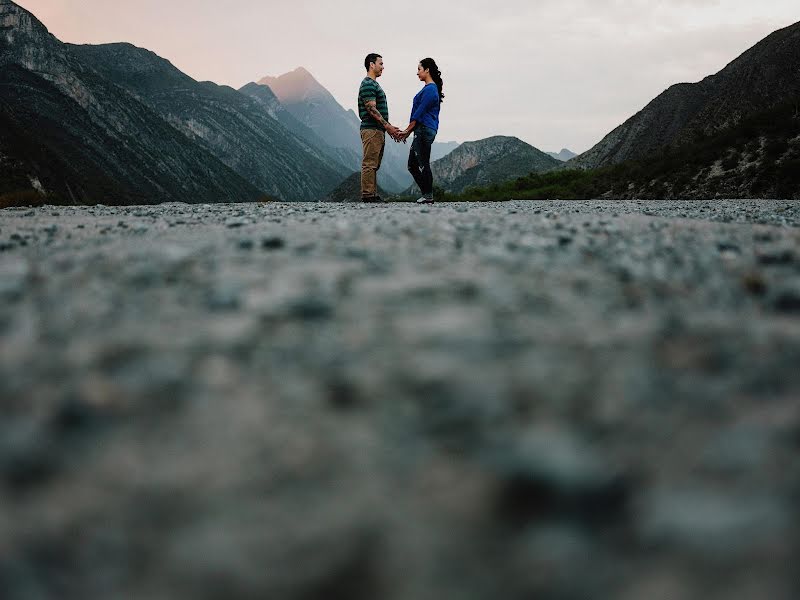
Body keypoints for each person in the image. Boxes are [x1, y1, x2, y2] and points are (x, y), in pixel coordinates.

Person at [399, 58, 444, 204]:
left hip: (424, 129)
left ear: (427, 70)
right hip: (422, 129)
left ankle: (428, 195)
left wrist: (406, 131)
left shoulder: (431, 89)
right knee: (412, 165)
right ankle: (427, 194)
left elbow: (419, 113)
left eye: (419, 69)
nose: (417, 72)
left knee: (423, 163)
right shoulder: (429, 88)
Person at [358, 53, 402, 203]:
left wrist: (386, 128)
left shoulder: (374, 84)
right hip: (371, 129)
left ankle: (372, 194)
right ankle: (368, 195)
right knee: (370, 162)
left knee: (374, 163)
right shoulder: (368, 84)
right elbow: (371, 109)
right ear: (372, 64)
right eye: (381, 64)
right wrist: (388, 126)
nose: (383, 67)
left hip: (377, 130)